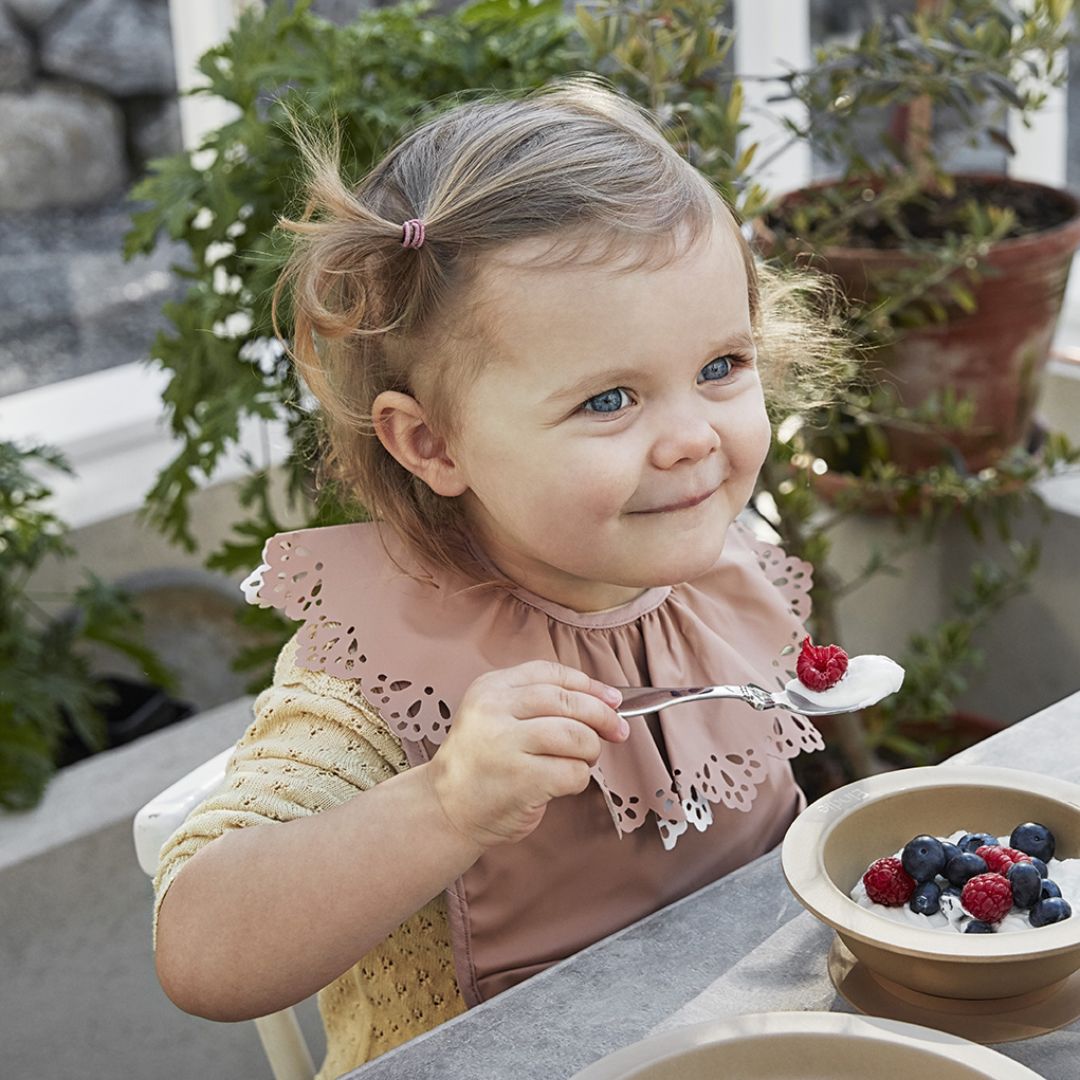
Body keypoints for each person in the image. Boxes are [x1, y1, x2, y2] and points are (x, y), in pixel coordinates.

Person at [152, 75, 842, 1078]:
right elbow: (201, 951)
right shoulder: (382, 672)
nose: (694, 438)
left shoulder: (717, 573)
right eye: (610, 399)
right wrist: (444, 804)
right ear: (432, 443)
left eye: (721, 367)